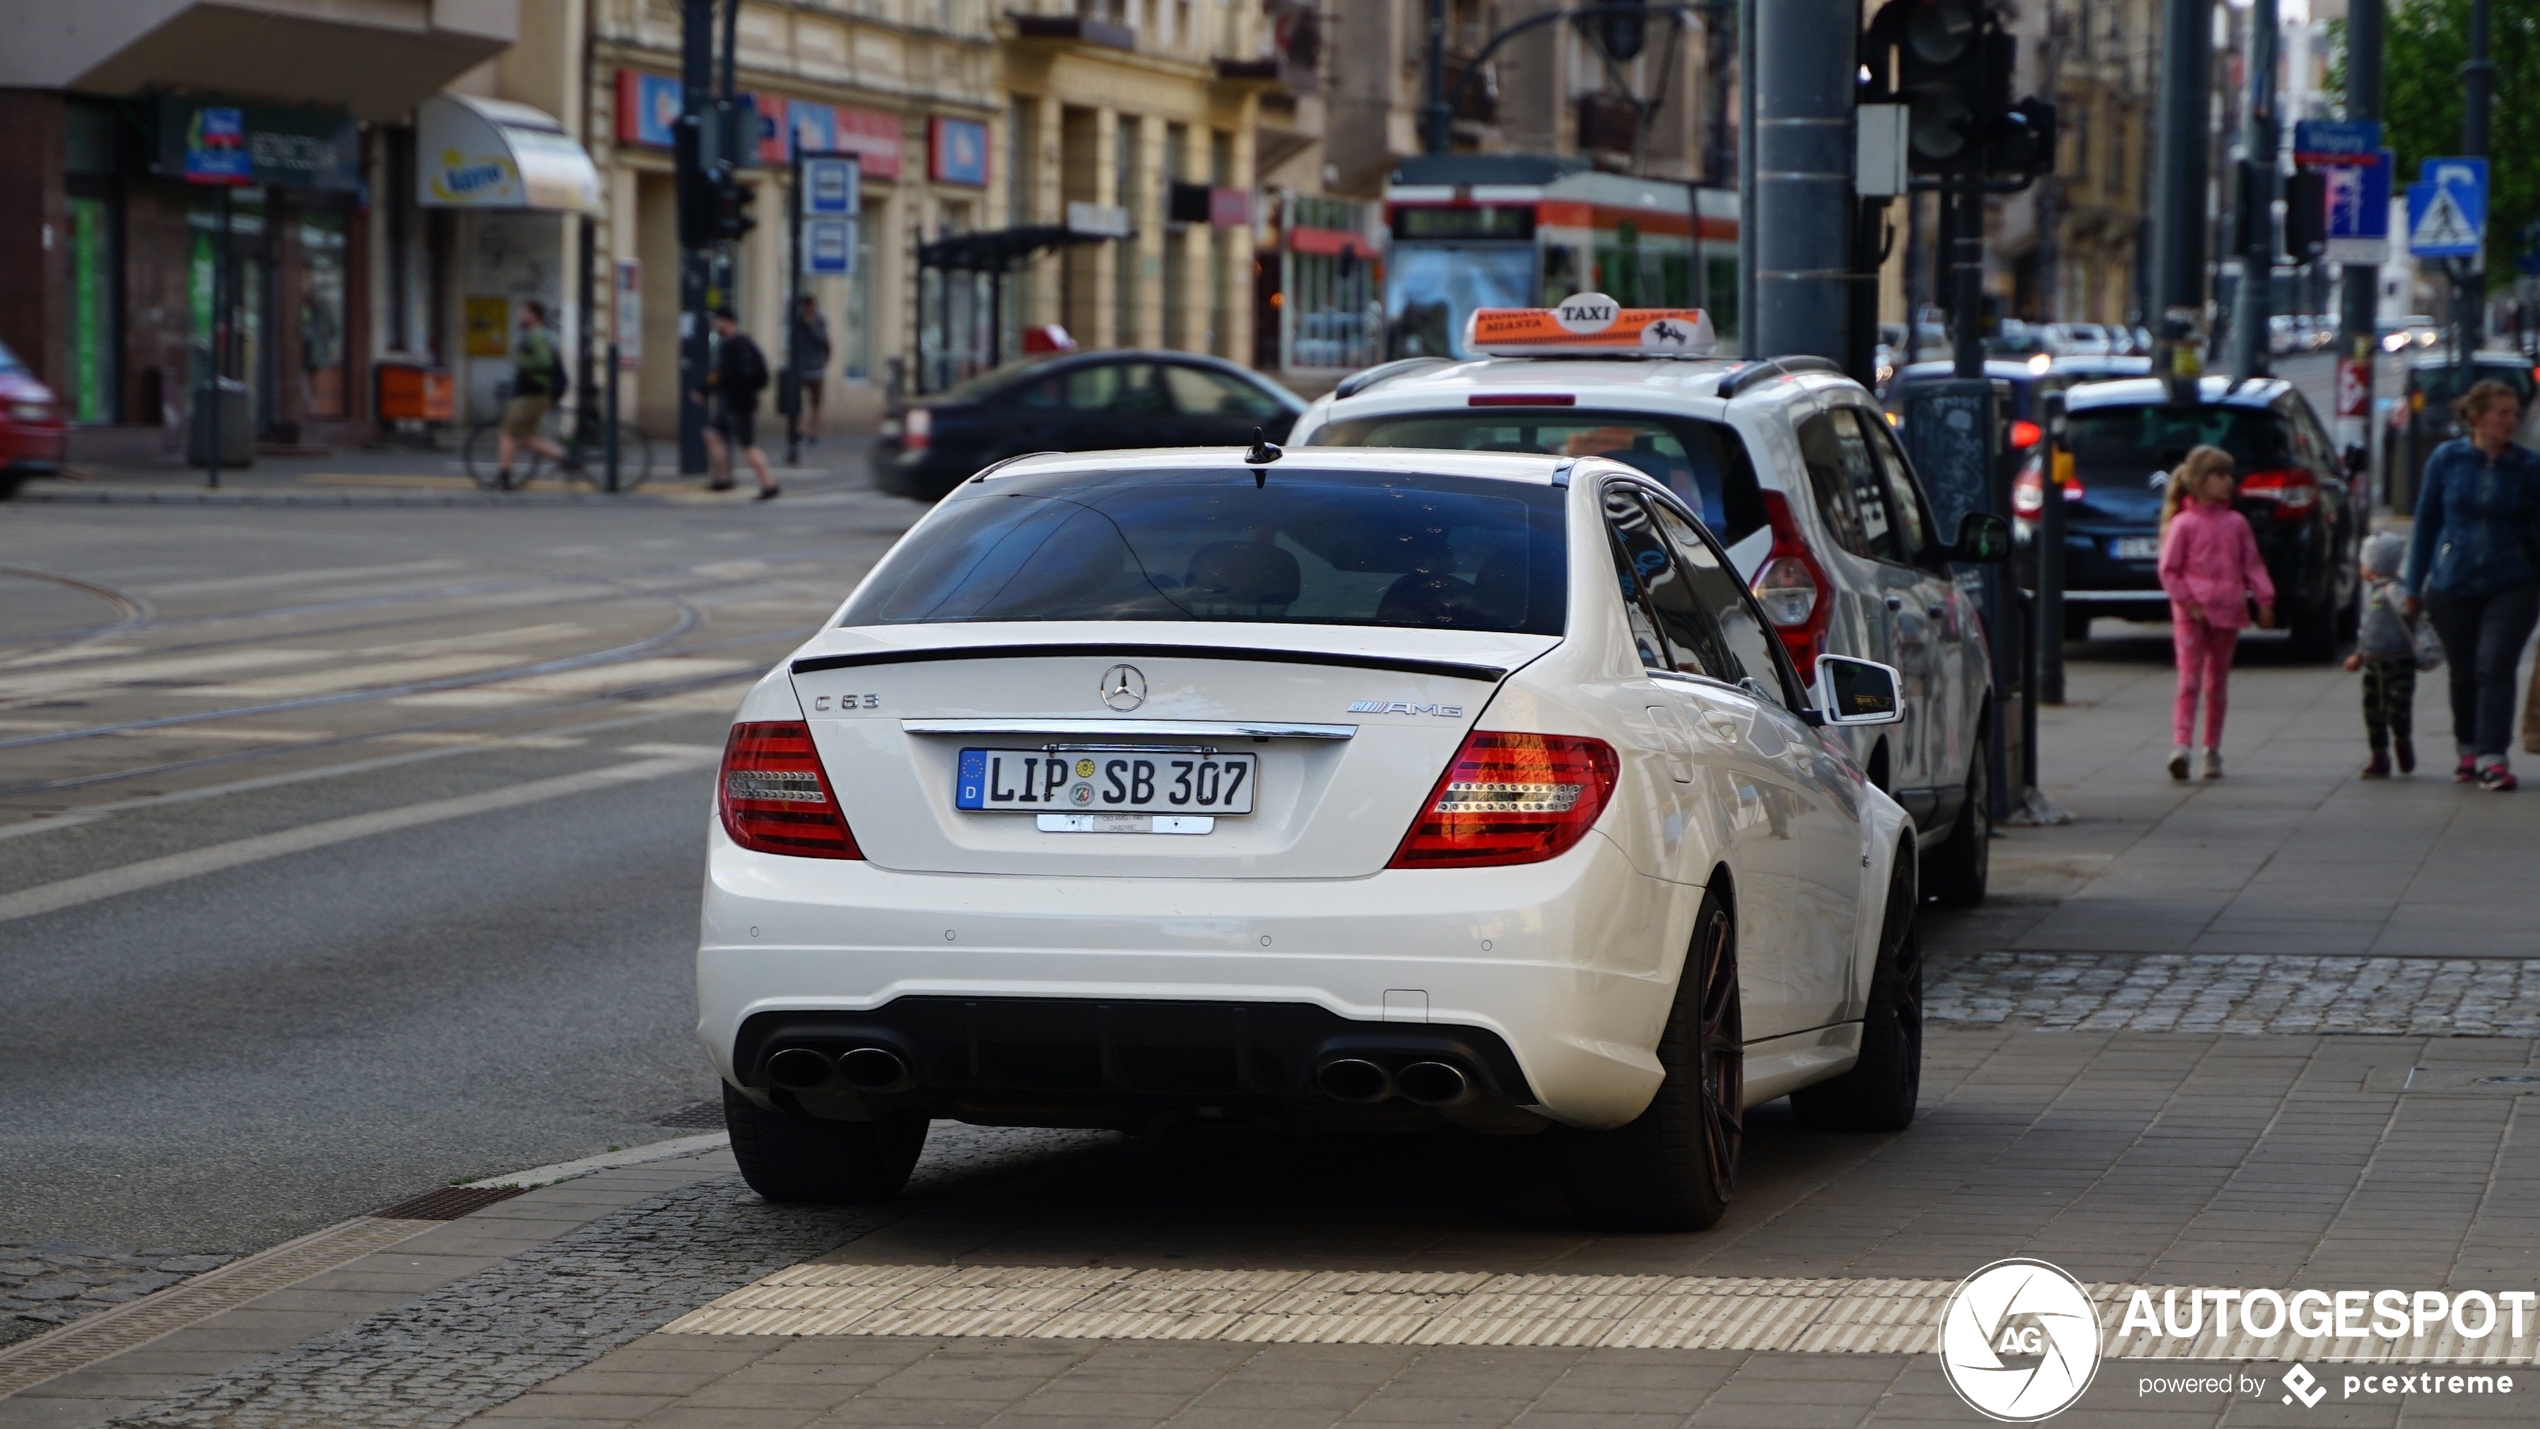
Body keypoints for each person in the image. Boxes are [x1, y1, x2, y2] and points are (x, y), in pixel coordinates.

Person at [2402, 377, 2540, 791]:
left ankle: (2493, 756)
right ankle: (2468, 749)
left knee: (2494, 664)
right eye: (2502, 413)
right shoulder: (2447, 460)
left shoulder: (2529, 466)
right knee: (2463, 671)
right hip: (2453, 582)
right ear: (2477, 417)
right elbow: (2426, 523)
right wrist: (2413, 584)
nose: (2510, 421)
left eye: (2514, 414)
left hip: (2513, 580)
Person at [2157, 444, 2275, 780]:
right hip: (2192, 613)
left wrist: (2264, 600)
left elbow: (2251, 564)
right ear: (2199, 481)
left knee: (2216, 683)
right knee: (2190, 679)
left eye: (2228, 475)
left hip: (2228, 610)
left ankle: (2212, 749)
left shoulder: (2236, 523)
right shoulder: (2183, 524)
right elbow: (2170, 570)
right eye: (2219, 475)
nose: (2227, 482)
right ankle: (2181, 745)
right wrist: (2188, 602)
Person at [2344, 532, 2422, 778]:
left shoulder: (2394, 589)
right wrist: (2359, 655)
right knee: (2373, 710)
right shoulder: (2375, 594)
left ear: (2374, 566)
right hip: (2373, 663)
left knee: (2398, 707)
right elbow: (2367, 631)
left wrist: (2410, 601)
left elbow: (2408, 609)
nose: (2361, 568)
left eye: (2363, 563)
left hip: (2399, 661)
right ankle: (2379, 755)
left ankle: (2402, 740)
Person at [698, 306, 779, 500]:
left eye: (718, 321)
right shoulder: (746, 343)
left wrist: (705, 390)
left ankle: (769, 484)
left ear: (727, 322)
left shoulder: (731, 345)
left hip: (736, 402)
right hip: (742, 400)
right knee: (712, 433)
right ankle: (723, 479)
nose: (715, 325)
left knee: (748, 446)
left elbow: (721, 374)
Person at [496, 301, 569, 490]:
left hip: (531, 394)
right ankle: (564, 457)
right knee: (525, 436)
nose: (520, 315)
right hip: (533, 393)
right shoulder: (540, 335)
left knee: (508, 432)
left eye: (524, 312)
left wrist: (522, 360)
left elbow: (544, 362)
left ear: (533, 315)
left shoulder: (537, 336)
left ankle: (504, 476)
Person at [790, 295, 831, 447]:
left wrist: (811, 326)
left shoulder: (820, 321)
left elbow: (823, 341)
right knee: (797, 403)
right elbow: (794, 342)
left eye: (810, 307)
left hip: (817, 369)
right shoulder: (798, 321)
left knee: (816, 404)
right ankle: (798, 431)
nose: (808, 310)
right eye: (805, 307)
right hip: (801, 368)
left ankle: (814, 434)